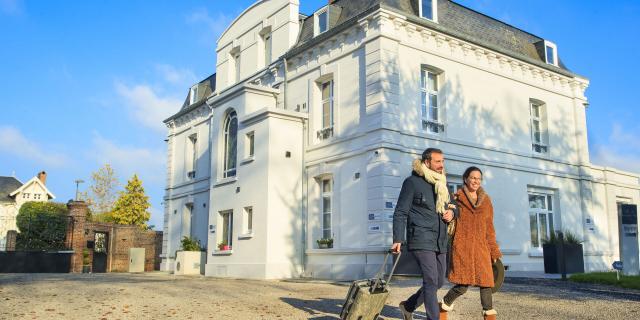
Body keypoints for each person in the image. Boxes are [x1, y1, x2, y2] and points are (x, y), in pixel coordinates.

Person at [392, 148, 456, 320]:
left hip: (440, 239)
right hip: (420, 237)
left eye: (443, 161)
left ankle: (408, 306)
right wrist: (398, 238)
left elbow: (452, 205)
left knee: (439, 281)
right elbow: (400, 211)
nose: (441, 165)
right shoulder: (412, 182)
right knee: (430, 280)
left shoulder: (442, 182)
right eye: (437, 161)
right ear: (427, 162)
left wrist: (452, 213)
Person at [440, 166, 502, 320]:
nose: (476, 181)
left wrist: (494, 251)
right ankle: (442, 306)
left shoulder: (486, 201)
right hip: (462, 247)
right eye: (473, 178)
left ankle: (489, 315)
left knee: (486, 283)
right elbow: (449, 219)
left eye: (479, 178)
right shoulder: (457, 198)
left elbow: (490, 228)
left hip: (482, 248)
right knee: (462, 285)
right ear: (465, 179)